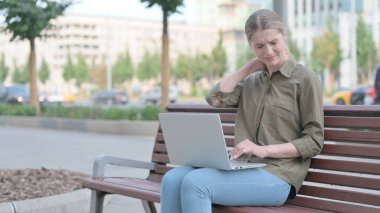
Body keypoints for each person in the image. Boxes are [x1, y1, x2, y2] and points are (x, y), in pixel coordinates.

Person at [160, 9, 324, 213]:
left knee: (196, 183)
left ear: (284, 35)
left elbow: (314, 141)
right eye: (259, 46)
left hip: (279, 176)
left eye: (273, 43)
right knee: (172, 178)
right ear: (251, 47)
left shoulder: (305, 79)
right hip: (244, 167)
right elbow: (215, 98)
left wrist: (263, 150)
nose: (268, 51)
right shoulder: (252, 81)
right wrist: (251, 66)